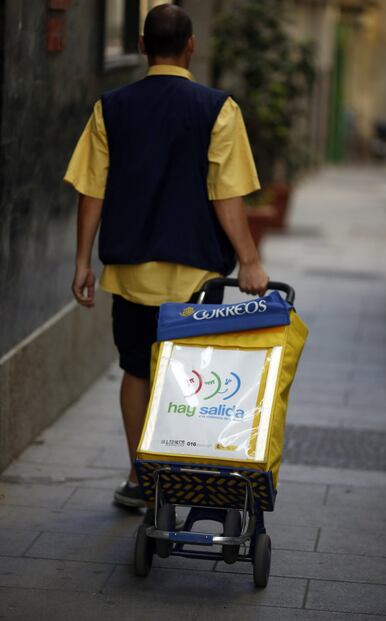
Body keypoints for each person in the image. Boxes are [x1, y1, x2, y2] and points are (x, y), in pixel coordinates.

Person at [64, 4, 268, 510]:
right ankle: (187, 473)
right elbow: (227, 196)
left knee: (136, 371)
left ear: (140, 45)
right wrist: (249, 260)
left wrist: (82, 262)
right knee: (193, 375)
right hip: (195, 276)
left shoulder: (109, 107)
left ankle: (141, 479)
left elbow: (92, 191)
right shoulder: (218, 108)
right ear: (191, 45)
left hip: (130, 271)